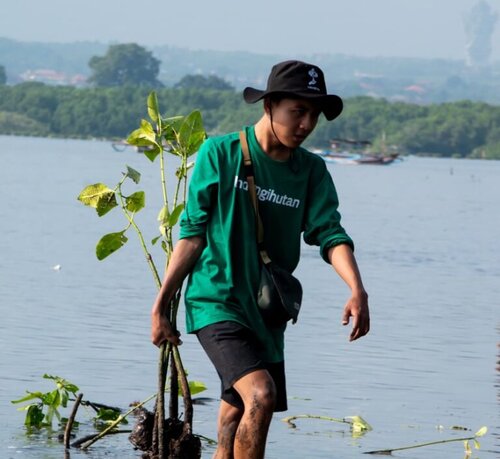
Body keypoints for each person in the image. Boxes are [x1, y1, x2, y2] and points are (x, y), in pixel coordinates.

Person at [151, 60, 370, 459]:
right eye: (297, 112)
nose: (305, 124)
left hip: (267, 311)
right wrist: (161, 305)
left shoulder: (311, 171)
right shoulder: (220, 154)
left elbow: (329, 233)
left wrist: (357, 289)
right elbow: (193, 234)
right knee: (261, 394)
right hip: (216, 300)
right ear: (269, 106)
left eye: (314, 116)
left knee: (236, 409)